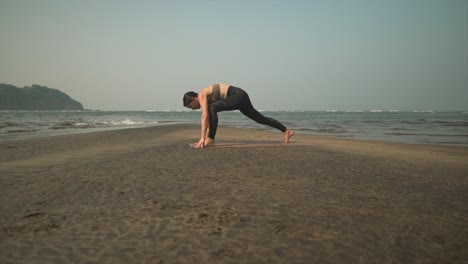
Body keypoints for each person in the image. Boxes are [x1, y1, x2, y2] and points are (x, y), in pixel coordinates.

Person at [183, 84, 294, 148]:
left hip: (238, 95)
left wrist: (202, 139)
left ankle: (211, 140)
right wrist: (204, 138)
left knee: (212, 108)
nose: (192, 108)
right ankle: (286, 131)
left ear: (194, 99)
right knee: (260, 119)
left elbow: (205, 117)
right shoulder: (204, 99)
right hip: (241, 96)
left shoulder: (202, 94)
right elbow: (208, 119)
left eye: (191, 106)